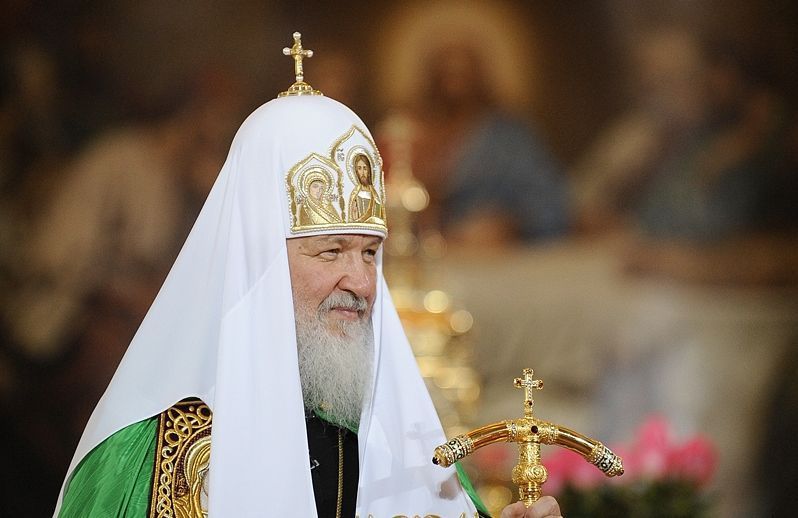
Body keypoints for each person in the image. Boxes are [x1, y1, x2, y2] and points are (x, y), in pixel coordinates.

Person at [53, 36, 561, 518]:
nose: (362, 283)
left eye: (369, 253)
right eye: (331, 251)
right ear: (259, 262)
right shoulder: (146, 456)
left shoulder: (402, 442)